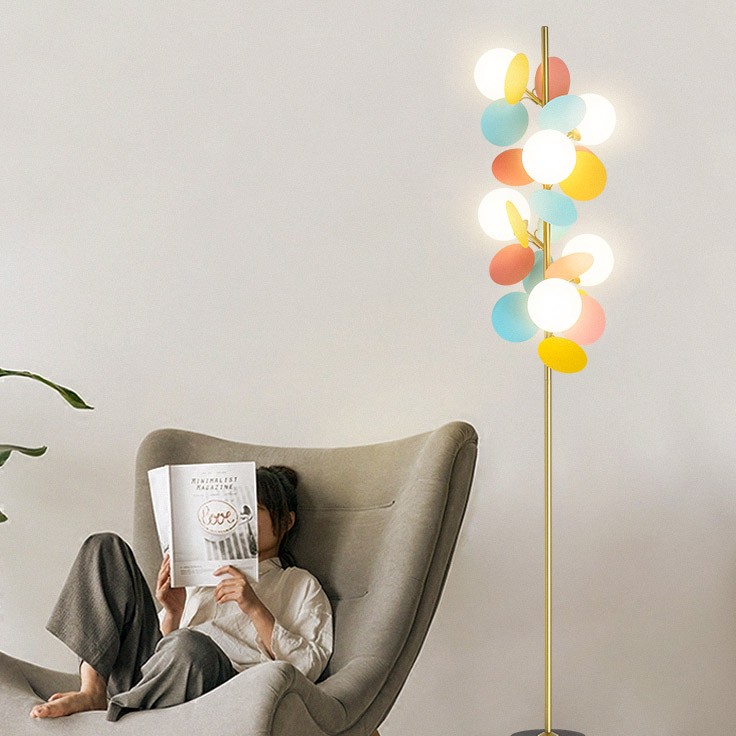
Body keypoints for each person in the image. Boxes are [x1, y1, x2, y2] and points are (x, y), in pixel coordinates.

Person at [29, 465, 333, 721]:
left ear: (287, 521)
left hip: (218, 687)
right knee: (104, 547)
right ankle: (93, 691)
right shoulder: (202, 572)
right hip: (158, 675)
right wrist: (173, 612)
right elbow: (161, 652)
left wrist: (255, 608)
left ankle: (120, 711)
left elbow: (309, 667)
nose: (244, 519)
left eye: (255, 510)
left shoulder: (299, 584)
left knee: (190, 645)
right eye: (238, 510)